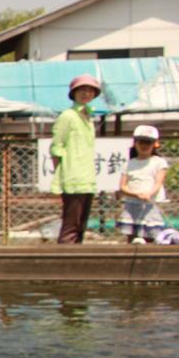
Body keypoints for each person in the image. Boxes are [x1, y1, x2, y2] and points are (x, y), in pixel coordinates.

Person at [50, 74, 101, 244]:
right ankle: (63, 263)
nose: (86, 93)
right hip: (73, 177)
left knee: (81, 226)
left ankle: (76, 262)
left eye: (90, 90)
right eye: (82, 90)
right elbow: (56, 147)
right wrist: (61, 174)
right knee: (71, 225)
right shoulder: (68, 116)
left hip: (87, 177)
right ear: (74, 93)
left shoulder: (88, 117)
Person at [117, 125, 168, 244]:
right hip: (132, 205)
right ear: (135, 143)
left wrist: (149, 194)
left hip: (150, 205)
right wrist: (136, 194)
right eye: (141, 142)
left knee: (150, 236)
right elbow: (122, 186)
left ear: (155, 144)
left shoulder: (159, 162)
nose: (144, 146)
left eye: (148, 142)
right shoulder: (129, 164)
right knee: (132, 237)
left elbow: (158, 182)